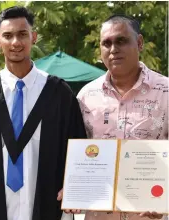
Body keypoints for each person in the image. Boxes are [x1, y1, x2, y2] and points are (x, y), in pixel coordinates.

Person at [0, 6, 87, 220]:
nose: (16, 42)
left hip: (47, 206)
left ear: (33, 37)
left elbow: (77, 150)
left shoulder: (58, 93)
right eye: (8, 36)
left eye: (22, 34)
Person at [73, 14, 168, 220]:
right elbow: (76, 156)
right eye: (106, 43)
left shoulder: (165, 93)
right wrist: (71, 189)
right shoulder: (86, 97)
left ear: (140, 42)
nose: (113, 49)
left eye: (121, 41)